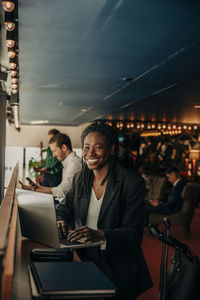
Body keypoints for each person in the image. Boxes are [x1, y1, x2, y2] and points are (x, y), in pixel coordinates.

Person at [56, 122, 153, 300]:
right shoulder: (80, 179)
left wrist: (101, 235)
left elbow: (133, 235)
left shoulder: (132, 183)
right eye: (86, 147)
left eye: (98, 147)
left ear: (112, 149)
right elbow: (62, 209)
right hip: (85, 259)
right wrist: (60, 220)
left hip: (117, 265)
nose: (90, 153)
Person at [23, 133, 82, 202]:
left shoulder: (74, 164)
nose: (53, 155)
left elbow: (62, 191)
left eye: (54, 151)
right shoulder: (68, 163)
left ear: (64, 148)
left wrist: (37, 189)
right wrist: (38, 188)